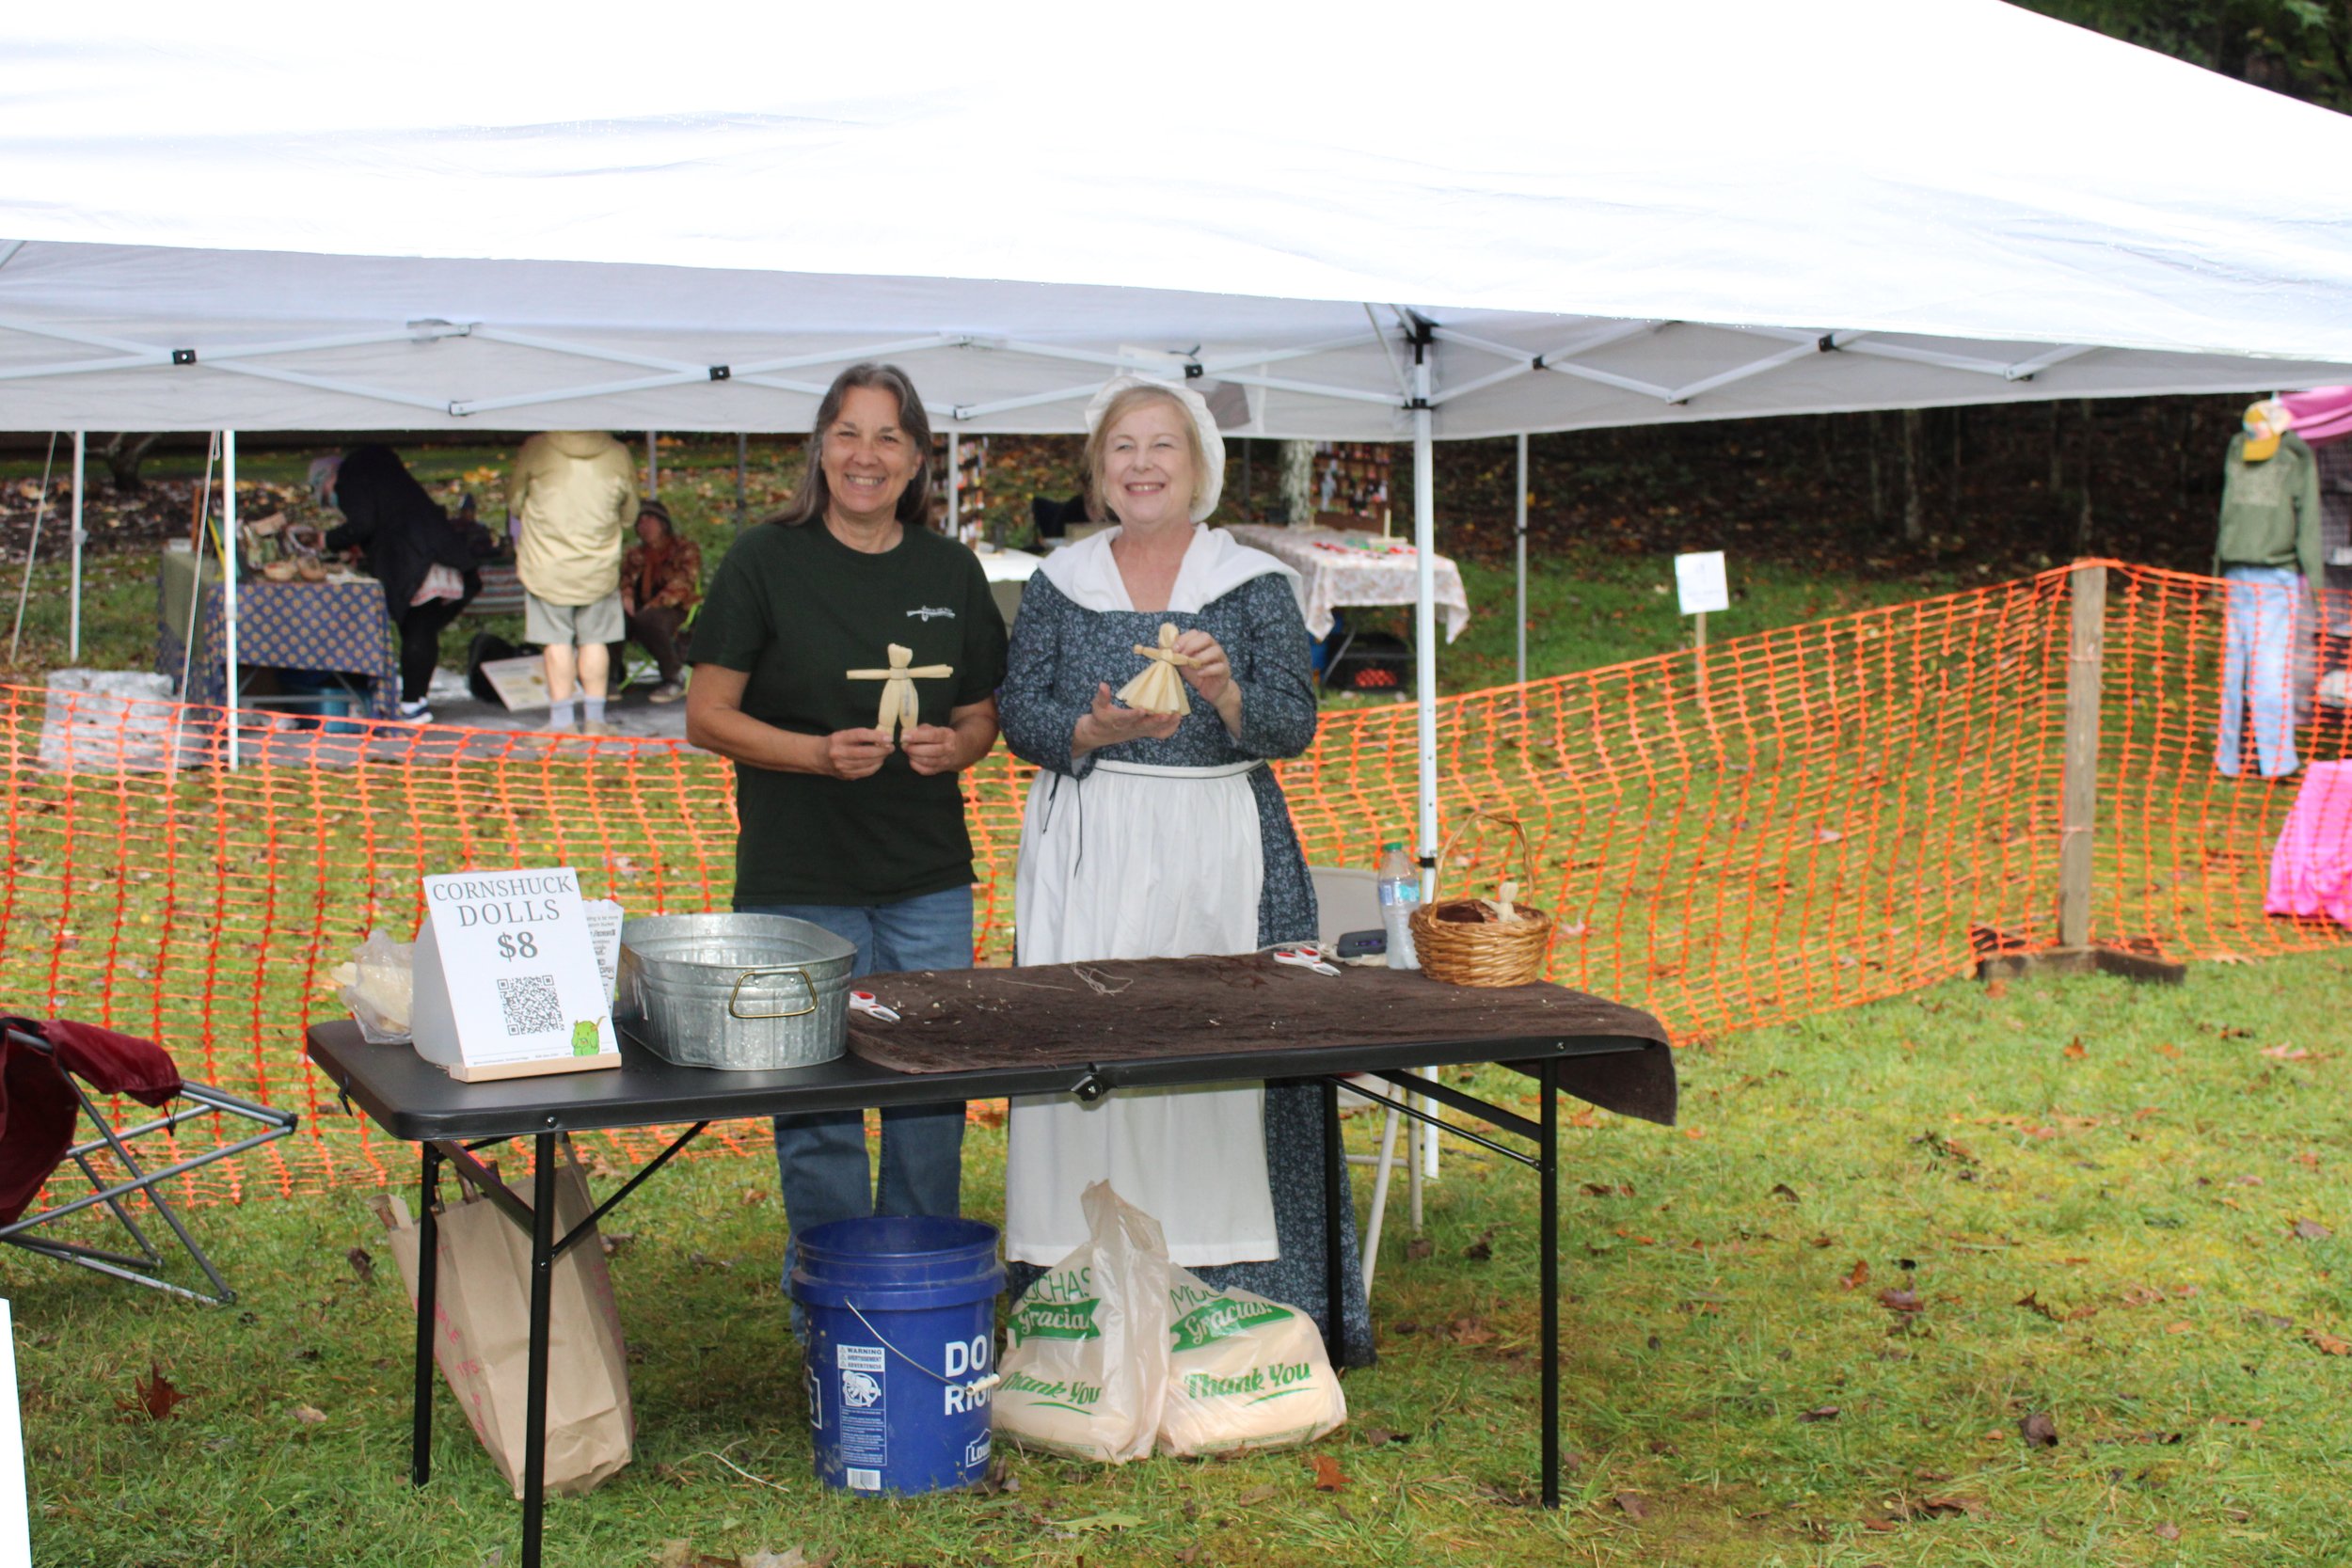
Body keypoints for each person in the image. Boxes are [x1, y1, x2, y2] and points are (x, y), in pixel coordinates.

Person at [996, 374, 1374, 1364]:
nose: (1143, 464)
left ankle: (1244, 1301)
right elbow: (1019, 718)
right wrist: (1091, 726)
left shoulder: (1249, 581)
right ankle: (1078, 1289)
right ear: (1097, 469)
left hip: (1221, 842)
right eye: (1123, 446)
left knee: (1224, 1056)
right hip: (1091, 847)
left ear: (1197, 463)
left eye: (1163, 444)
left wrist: (1226, 686)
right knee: (1092, 1056)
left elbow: (1291, 728)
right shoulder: (1059, 581)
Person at [685, 364, 1007, 1307]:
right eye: (847, 433)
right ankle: (830, 1300)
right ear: (819, 446)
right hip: (798, 875)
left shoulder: (947, 570)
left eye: (888, 438)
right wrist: (813, 754)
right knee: (816, 1102)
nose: (865, 456)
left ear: (916, 460)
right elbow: (707, 715)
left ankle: (916, 1287)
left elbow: (983, 712)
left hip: (926, 877)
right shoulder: (763, 559)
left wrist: (960, 745)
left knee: (927, 1103)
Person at [312, 447, 481, 722]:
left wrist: (327, 540)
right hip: (432, 549)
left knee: (417, 628)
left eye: (326, 493)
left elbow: (364, 524)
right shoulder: (376, 471)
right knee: (422, 628)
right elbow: (383, 517)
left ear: (327, 477)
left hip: (417, 558)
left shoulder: (350, 478)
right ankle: (418, 698)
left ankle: (413, 704)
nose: (333, 499)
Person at [2216, 399, 2325, 779]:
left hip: (2239, 575)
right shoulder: (2294, 456)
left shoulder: (2237, 451)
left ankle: (2231, 761)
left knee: (2238, 670)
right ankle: (2276, 764)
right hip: (2272, 579)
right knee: (2269, 671)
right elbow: (2308, 520)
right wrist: (2318, 585)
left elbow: (2227, 515)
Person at [507, 431, 639, 736]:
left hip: (547, 566)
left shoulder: (537, 447)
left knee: (557, 643)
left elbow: (515, 502)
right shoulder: (618, 453)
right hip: (598, 567)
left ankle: (562, 724)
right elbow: (630, 513)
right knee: (595, 641)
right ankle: (595, 721)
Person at [616, 499, 701, 703]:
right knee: (613, 619)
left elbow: (683, 583)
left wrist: (654, 605)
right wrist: (626, 596)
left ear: (663, 523)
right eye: (640, 521)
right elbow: (624, 579)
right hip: (640, 606)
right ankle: (612, 675)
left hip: (674, 607)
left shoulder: (684, 549)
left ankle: (673, 676)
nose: (644, 526)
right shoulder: (635, 554)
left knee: (649, 621)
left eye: (650, 520)